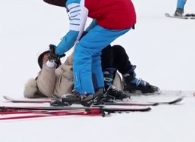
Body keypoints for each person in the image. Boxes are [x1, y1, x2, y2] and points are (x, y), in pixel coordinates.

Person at [37, 0, 136, 103]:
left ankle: (83, 92)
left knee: (82, 50)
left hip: (118, 17)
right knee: (90, 49)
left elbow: (74, 33)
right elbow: (103, 11)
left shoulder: (75, 0)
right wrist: (88, 32)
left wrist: (57, 51)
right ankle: (97, 88)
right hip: (123, 13)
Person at [24, 43, 158, 102]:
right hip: (80, 89)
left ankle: (130, 81)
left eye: (51, 56)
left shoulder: (65, 65)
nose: (49, 59)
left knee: (116, 50)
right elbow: (47, 89)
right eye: (45, 58)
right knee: (95, 48)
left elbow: (79, 57)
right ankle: (106, 85)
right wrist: (49, 66)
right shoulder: (40, 78)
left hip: (99, 81)